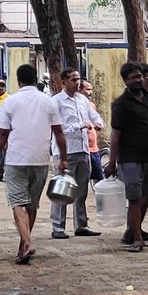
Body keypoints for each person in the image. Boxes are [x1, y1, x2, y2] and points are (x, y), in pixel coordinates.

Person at [0, 63, 68, 265]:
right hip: (41, 159)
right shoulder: (49, 102)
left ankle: (26, 242)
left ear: (18, 80)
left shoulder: (11, 102)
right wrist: (64, 158)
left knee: (18, 203)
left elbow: (1, 135)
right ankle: (24, 244)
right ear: (36, 79)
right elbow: (59, 132)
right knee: (32, 205)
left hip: (16, 159)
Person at [105, 62, 148, 252]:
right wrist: (112, 162)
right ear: (125, 81)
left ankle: (132, 229)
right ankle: (136, 237)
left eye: (139, 76)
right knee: (134, 197)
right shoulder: (121, 104)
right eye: (133, 77)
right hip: (129, 158)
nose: (138, 80)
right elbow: (115, 134)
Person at [49, 67, 102, 239]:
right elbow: (58, 127)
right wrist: (80, 126)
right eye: (73, 79)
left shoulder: (82, 100)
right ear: (63, 82)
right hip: (66, 151)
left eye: (78, 79)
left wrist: (99, 123)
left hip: (83, 149)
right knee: (63, 190)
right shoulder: (57, 101)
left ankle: (81, 224)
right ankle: (58, 227)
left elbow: (93, 116)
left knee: (81, 191)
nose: (76, 82)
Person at [80, 79, 106, 185]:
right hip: (82, 149)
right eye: (87, 89)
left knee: (99, 178)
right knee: (82, 180)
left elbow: (96, 118)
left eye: (91, 89)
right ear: (80, 90)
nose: (90, 92)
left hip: (93, 148)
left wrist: (98, 124)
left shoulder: (90, 105)